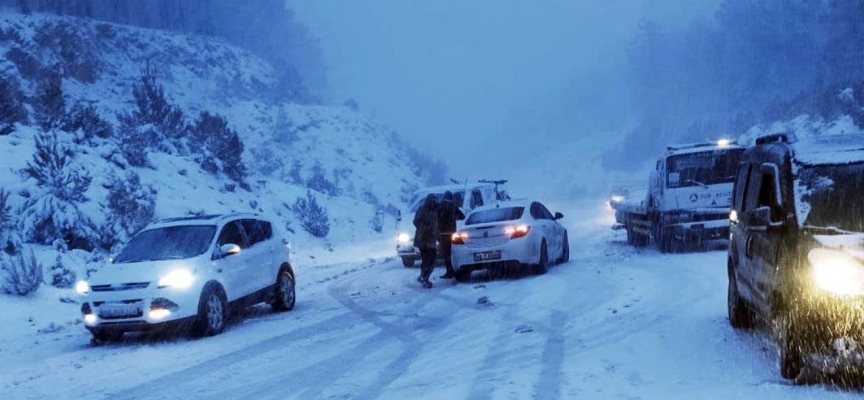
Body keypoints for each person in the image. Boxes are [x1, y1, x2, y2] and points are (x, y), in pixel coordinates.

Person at [437, 191, 465, 279]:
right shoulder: (453, 206)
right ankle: (454, 270)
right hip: (452, 233)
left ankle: (449, 271)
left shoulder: (439, 206)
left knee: (446, 254)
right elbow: (462, 216)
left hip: (442, 233)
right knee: (452, 252)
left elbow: (435, 218)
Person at [413, 194, 439, 288]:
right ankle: (425, 278)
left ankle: (423, 276)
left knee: (427, 260)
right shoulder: (424, 210)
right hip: (425, 239)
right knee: (429, 260)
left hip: (427, 239)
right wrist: (426, 227)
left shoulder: (432, 210)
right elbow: (416, 221)